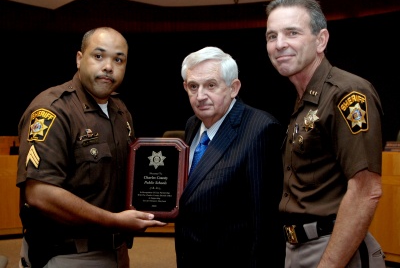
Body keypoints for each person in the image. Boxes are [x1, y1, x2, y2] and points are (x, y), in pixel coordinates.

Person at [16, 27, 166, 268]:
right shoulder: (53, 110)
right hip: (67, 254)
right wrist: (115, 221)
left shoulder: (120, 111)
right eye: (99, 56)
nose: (109, 66)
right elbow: (40, 194)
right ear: (79, 59)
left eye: (118, 59)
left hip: (115, 251)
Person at [265, 0, 386, 267]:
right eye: (271, 36)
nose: (279, 44)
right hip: (299, 247)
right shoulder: (305, 99)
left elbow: (366, 191)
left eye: (292, 33)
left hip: (334, 250)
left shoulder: (348, 94)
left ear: (321, 40)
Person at [174, 46, 285, 267]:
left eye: (211, 85)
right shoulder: (192, 125)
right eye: (193, 87)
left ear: (234, 88)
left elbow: (264, 224)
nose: (201, 96)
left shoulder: (260, 129)